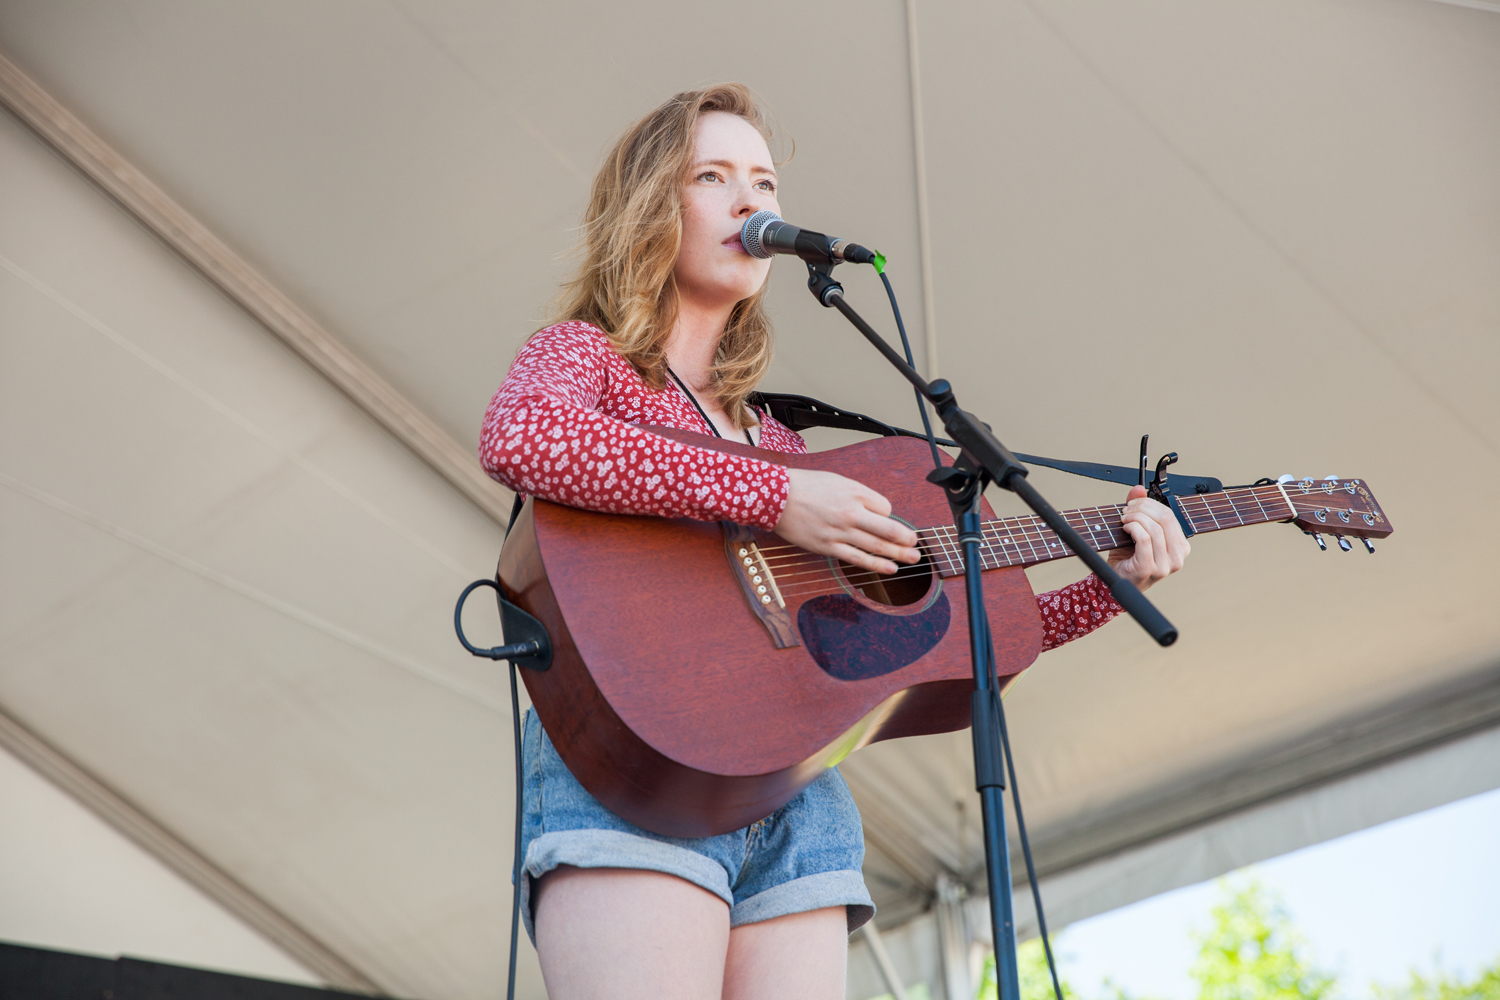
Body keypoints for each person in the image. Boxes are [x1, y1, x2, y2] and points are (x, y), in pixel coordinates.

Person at [479, 83, 1190, 1000]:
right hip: (631, 773)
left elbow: (932, 644)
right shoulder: (588, 360)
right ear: (651, 207)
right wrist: (774, 497)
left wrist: (1112, 579)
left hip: (799, 800)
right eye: (714, 176)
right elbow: (525, 437)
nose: (753, 203)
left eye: (766, 183)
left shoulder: (780, 439)